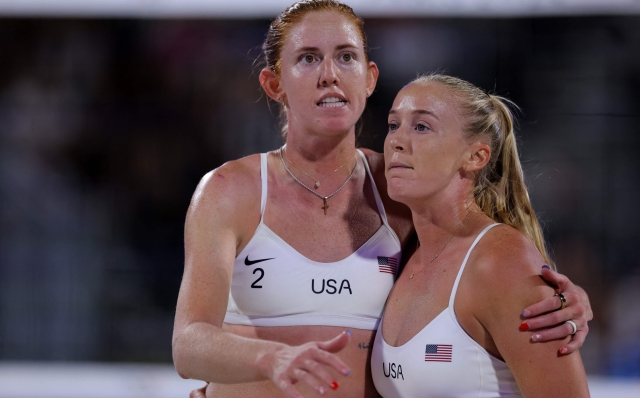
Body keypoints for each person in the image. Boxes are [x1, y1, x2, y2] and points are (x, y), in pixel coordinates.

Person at [172, 2, 592, 397]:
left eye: (346, 57)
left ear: (369, 78)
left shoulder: (399, 191)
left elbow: (479, 260)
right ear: (273, 83)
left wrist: (556, 298)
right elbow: (188, 344)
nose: (329, 75)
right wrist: (274, 358)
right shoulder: (231, 190)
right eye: (308, 58)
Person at [371, 74, 590, 397]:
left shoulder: (500, 259)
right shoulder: (401, 251)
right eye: (393, 125)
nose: (396, 141)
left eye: (421, 127)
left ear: (476, 156)